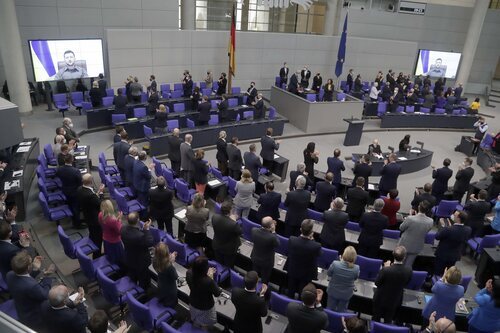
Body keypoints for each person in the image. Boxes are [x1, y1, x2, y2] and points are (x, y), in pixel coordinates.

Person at [6, 251, 54, 331]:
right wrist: (47, 278)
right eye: (32, 262)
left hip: (20, 307)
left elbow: (23, 277)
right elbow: (45, 295)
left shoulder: (10, 274)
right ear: (28, 267)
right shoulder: (32, 286)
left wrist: (35, 269)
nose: (33, 263)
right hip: (33, 317)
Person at [372, 246, 412, 323]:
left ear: (393, 255)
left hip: (380, 299)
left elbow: (377, 283)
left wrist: (386, 268)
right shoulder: (408, 271)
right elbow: (406, 283)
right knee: (388, 320)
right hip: (395, 300)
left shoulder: (386, 270)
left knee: (376, 319)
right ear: (404, 257)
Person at [287, 220, 322, 298]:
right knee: (303, 294)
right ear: (311, 231)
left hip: (293, 269)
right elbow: (319, 254)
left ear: (300, 229)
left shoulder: (292, 240)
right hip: (306, 274)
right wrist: (312, 239)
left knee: (290, 290)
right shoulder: (316, 246)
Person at [186, 256, 221, 329]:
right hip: (205, 307)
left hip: (193, 302)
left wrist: (206, 275)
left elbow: (198, 281)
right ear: (205, 269)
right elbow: (217, 293)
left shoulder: (188, 273)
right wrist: (210, 277)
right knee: (205, 325)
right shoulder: (208, 281)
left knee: (196, 320)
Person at [121, 213, 154, 289]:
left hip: (129, 258)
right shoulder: (140, 236)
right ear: (138, 220)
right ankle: (143, 295)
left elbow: (136, 237)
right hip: (141, 262)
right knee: (144, 282)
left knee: (133, 277)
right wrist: (147, 230)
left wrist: (143, 230)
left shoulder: (122, 229)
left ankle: (134, 291)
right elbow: (150, 242)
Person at [434, 210, 471, 276]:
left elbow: (437, 236)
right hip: (454, 255)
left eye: (455, 215)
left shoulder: (448, 229)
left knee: (437, 272)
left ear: (458, 218)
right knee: (448, 274)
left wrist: (443, 226)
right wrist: (449, 227)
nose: (453, 215)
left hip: (442, 254)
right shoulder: (468, 230)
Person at [77, 173, 105, 258]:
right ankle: (97, 256)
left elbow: (92, 200)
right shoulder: (90, 195)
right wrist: (101, 194)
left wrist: (97, 192)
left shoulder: (80, 189)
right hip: (95, 220)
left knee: (93, 234)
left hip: (87, 215)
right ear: (91, 181)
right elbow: (100, 204)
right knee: (98, 239)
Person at [398, 201, 433, 268]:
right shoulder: (430, 221)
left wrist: (410, 217)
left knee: (399, 264)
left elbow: (401, 228)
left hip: (404, 244)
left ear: (419, 207)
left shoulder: (410, 218)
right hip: (417, 246)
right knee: (408, 266)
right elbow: (427, 231)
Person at [327, 246, 360, 312]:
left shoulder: (335, 263)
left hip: (333, 291)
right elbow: (355, 278)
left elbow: (329, 274)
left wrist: (340, 261)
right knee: (341, 312)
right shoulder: (356, 268)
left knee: (330, 310)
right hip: (346, 295)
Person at [212, 200, 242, 268]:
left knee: (219, 264)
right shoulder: (233, 224)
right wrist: (233, 220)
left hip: (217, 245)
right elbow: (240, 232)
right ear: (230, 211)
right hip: (229, 250)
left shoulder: (214, 217)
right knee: (228, 266)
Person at [57, 154, 83, 228]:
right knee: (75, 207)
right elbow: (80, 183)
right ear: (72, 160)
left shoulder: (60, 169)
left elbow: (58, 176)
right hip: (74, 192)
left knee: (70, 205)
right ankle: (77, 224)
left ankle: (73, 219)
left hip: (65, 190)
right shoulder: (75, 171)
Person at [251, 217, 279, 284]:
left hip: (255, 257)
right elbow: (277, 244)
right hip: (266, 262)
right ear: (271, 226)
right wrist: (273, 231)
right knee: (265, 280)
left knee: (253, 277)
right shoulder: (272, 237)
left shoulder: (254, 230)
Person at [152, 242, 178, 308]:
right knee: (170, 306)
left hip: (161, 285)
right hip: (170, 291)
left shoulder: (154, 260)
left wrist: (169, 260)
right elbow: (175, 277)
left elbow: (162, 261)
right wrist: (172, 263)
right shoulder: (169, 267)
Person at [98, 199, 123, 265]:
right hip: (114, 242)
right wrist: (119, 220)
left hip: (105, 239)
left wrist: (116, 220)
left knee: (109, 256)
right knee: (118, 259)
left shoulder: (100, 214)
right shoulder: (112, 220)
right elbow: (119, 231)